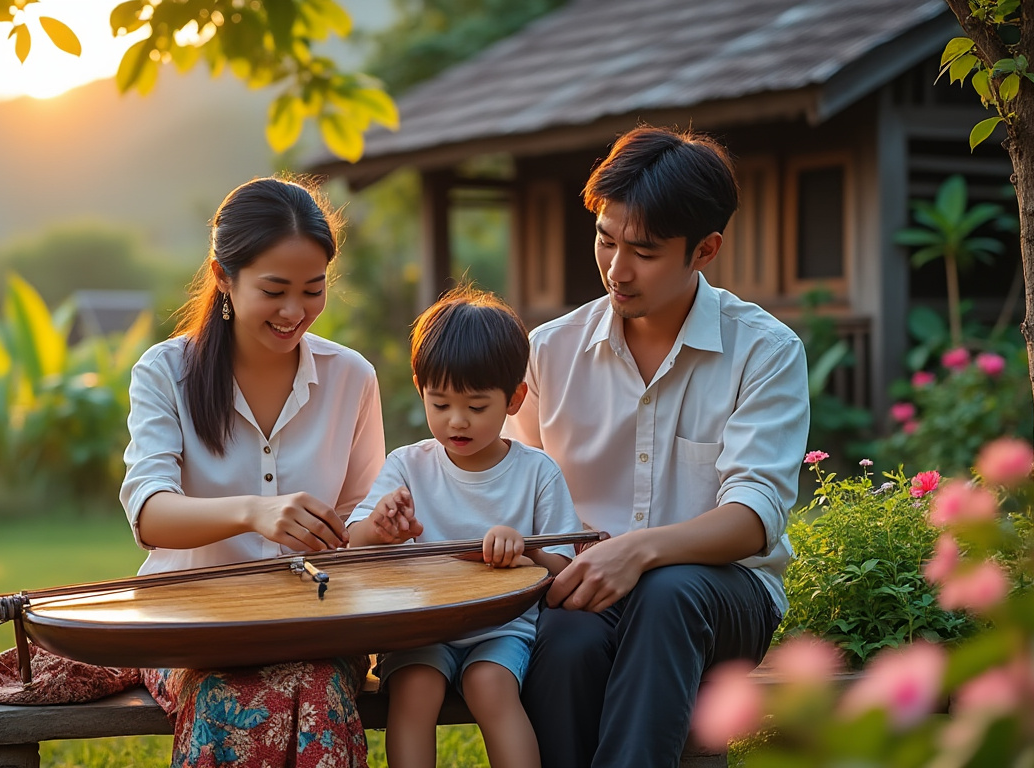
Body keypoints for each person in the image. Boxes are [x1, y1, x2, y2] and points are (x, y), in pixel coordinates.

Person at [505, 126, 811, 767]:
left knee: (669, 593)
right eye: (605, 240)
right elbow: (512, 491)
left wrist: (638, 553)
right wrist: (561, 562)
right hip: (584, 588)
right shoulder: (551, 352)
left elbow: (754, 518)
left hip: (722, 597)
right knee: (564, 644)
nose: (617, 269)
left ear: (705, 249)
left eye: (642, 251)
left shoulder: (764, 350)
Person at [119, 176, 385, 767]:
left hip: (313, 624)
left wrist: (383, 526)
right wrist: (254, 511)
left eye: (313, 290)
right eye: (275, 290)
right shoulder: (166, 373)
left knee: (317, 689)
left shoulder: (352, 379)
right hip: (189, 624)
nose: (296, 312)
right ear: (223, 277)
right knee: (226, 699)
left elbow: (360, 523)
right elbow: (150, 512)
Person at [346, 285, 582, 768]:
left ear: (515, 399)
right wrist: (380, 527)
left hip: (500, 625)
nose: (457, 421)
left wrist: (527, 553)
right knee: (414, 691)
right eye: (440, 404)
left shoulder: (537, 471)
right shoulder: (408, 465)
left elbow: (564, 566)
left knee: (490, 686)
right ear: (420, 389)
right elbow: (353, 542)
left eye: (477, 407)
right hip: (420, 625)